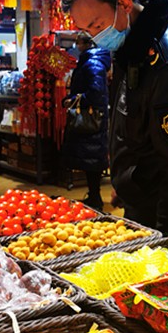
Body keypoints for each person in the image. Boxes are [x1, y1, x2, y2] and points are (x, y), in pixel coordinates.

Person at [60, 0, 168, 243]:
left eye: (97, 25)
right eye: (88, 31)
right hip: (141, 204)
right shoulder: (132, 50)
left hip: (164, 220)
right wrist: (124, 179)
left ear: (124, 3)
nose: (96, 37)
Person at [60, 34, 112, 210]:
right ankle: (94, 195)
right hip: (93, 117)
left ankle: (95, 198)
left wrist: (75, 99)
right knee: (91, 158)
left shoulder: (93, 62)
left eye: (78, 42)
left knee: (92, 159)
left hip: (91, 118)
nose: (76, 45)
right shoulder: (92, 61)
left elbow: (96, 92)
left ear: (86, 43)